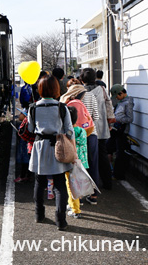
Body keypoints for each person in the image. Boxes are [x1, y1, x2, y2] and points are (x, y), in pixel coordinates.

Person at [28, 75, 74, 231]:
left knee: (39, 182)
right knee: (60, 185)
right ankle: (61, 221)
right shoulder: (62, 107)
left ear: (40, 89)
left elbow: (29, 129)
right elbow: (69, 130)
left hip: (40, 146)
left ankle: (38, 215)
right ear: (56, 89)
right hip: (58, 147)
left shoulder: (33, 107)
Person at [60, 78, 100, 205]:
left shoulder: (67, 98)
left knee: (76, 165)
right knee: (92, 164)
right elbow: (96, 117)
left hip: (74, 136)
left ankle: (78, 197)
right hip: (91, 134)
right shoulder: (91, 95)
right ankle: (93, 195)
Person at [82, 68, 115, 193]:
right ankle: (107, 183)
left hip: (85, 129)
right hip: (100, 127)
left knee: (85, 156)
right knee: (102, 155)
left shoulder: (81, 91)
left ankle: (88, 185)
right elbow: (108, 105)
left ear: (82, 79)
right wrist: (110, 120)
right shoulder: (101, 90)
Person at [65, 106, 89, 219]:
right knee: (77, 185)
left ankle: (75, 210)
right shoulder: (82, 131)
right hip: (82, 163)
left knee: (71, 186)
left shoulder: (68, 132)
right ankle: (72, 204)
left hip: (71, 163)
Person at [107, 84, 134, 180]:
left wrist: (118, 119)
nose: (116, 98)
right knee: (109, 148)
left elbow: (130, 118)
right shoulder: (121, 101)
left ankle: (118, 175)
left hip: (121, 130)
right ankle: (112, 171)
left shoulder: (128, 102)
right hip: (115, 129)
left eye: (117, 96)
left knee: (120, 153)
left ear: (121, 93)